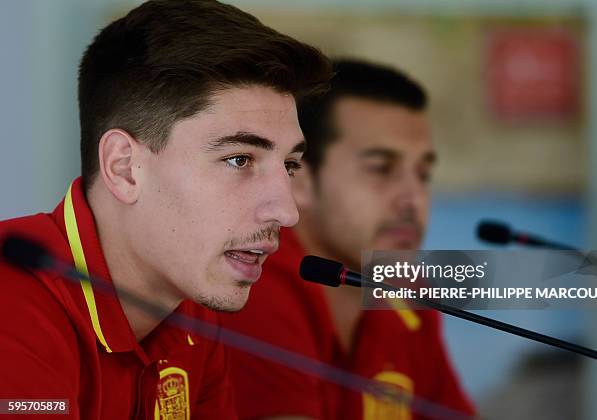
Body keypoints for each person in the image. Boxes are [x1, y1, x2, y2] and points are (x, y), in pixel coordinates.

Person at [0, 1, 330, 418]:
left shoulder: (190, 306)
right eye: (238, 160)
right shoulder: (11, 301)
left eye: (289, 165)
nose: (286, 212)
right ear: (124, 168)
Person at [221, 59, 475, 419]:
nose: (412, 198)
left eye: (422, 174)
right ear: (300, 181)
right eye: (381, 168)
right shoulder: (256, 282)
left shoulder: (403, 289)